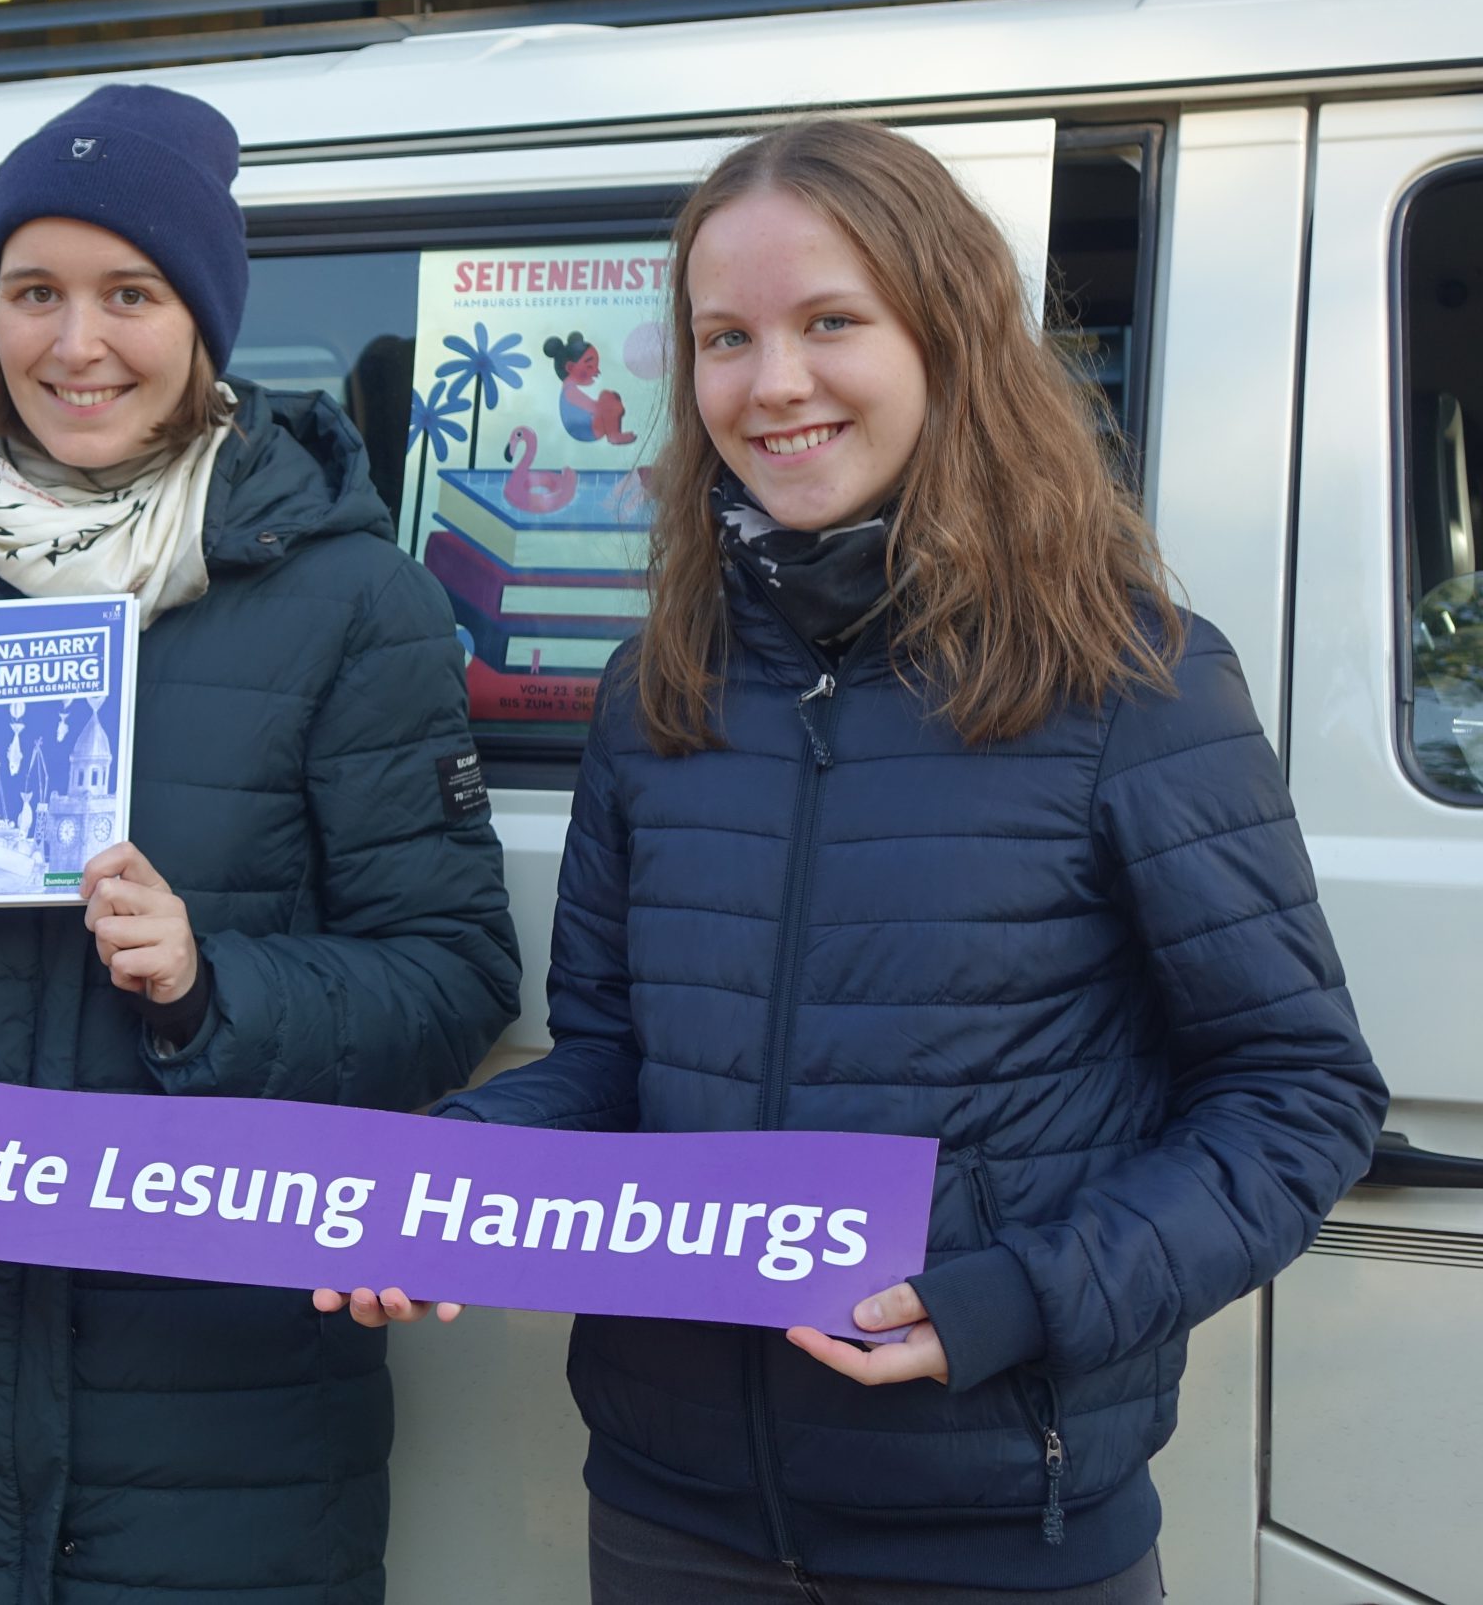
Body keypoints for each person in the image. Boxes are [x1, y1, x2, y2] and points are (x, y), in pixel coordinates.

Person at [327, 119, 1386, 1602]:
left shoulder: (1130, 682)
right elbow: (616, 1066)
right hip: (671, 1513)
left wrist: (1016, 1300)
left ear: (950, 339)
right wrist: (457, 1171)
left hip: (997, 1530)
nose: (773, 383)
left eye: (832, 322)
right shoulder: (657, 690)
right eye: (725, 338)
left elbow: (1297, 1096)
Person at [0, 83, 521, 1605]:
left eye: (131, 293)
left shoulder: (354, 602)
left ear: (204, 322)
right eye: (33, 292)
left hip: (226, 1426)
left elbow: (453, 980)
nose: (77, 342)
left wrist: (208, 985)